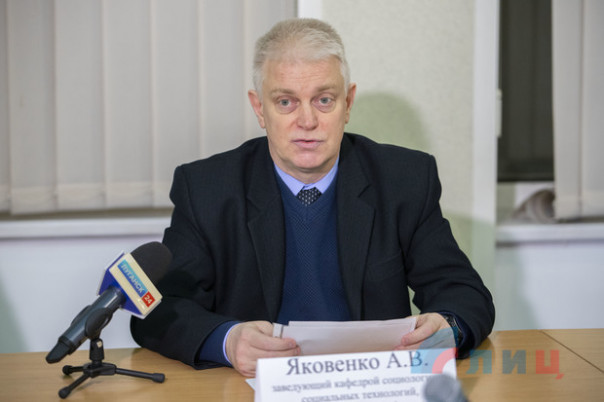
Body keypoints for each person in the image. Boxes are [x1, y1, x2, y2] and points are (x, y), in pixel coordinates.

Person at [131, 18, 495, 378]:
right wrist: (227, 341)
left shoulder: (403, 180)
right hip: (256, 387)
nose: (307, 121)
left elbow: (463, 292)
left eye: (323, 100)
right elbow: (157, 310)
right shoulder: (208, 188)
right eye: (286, 102)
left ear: (347, 103)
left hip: (370, 383)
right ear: (259, 108)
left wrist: (448, 327)